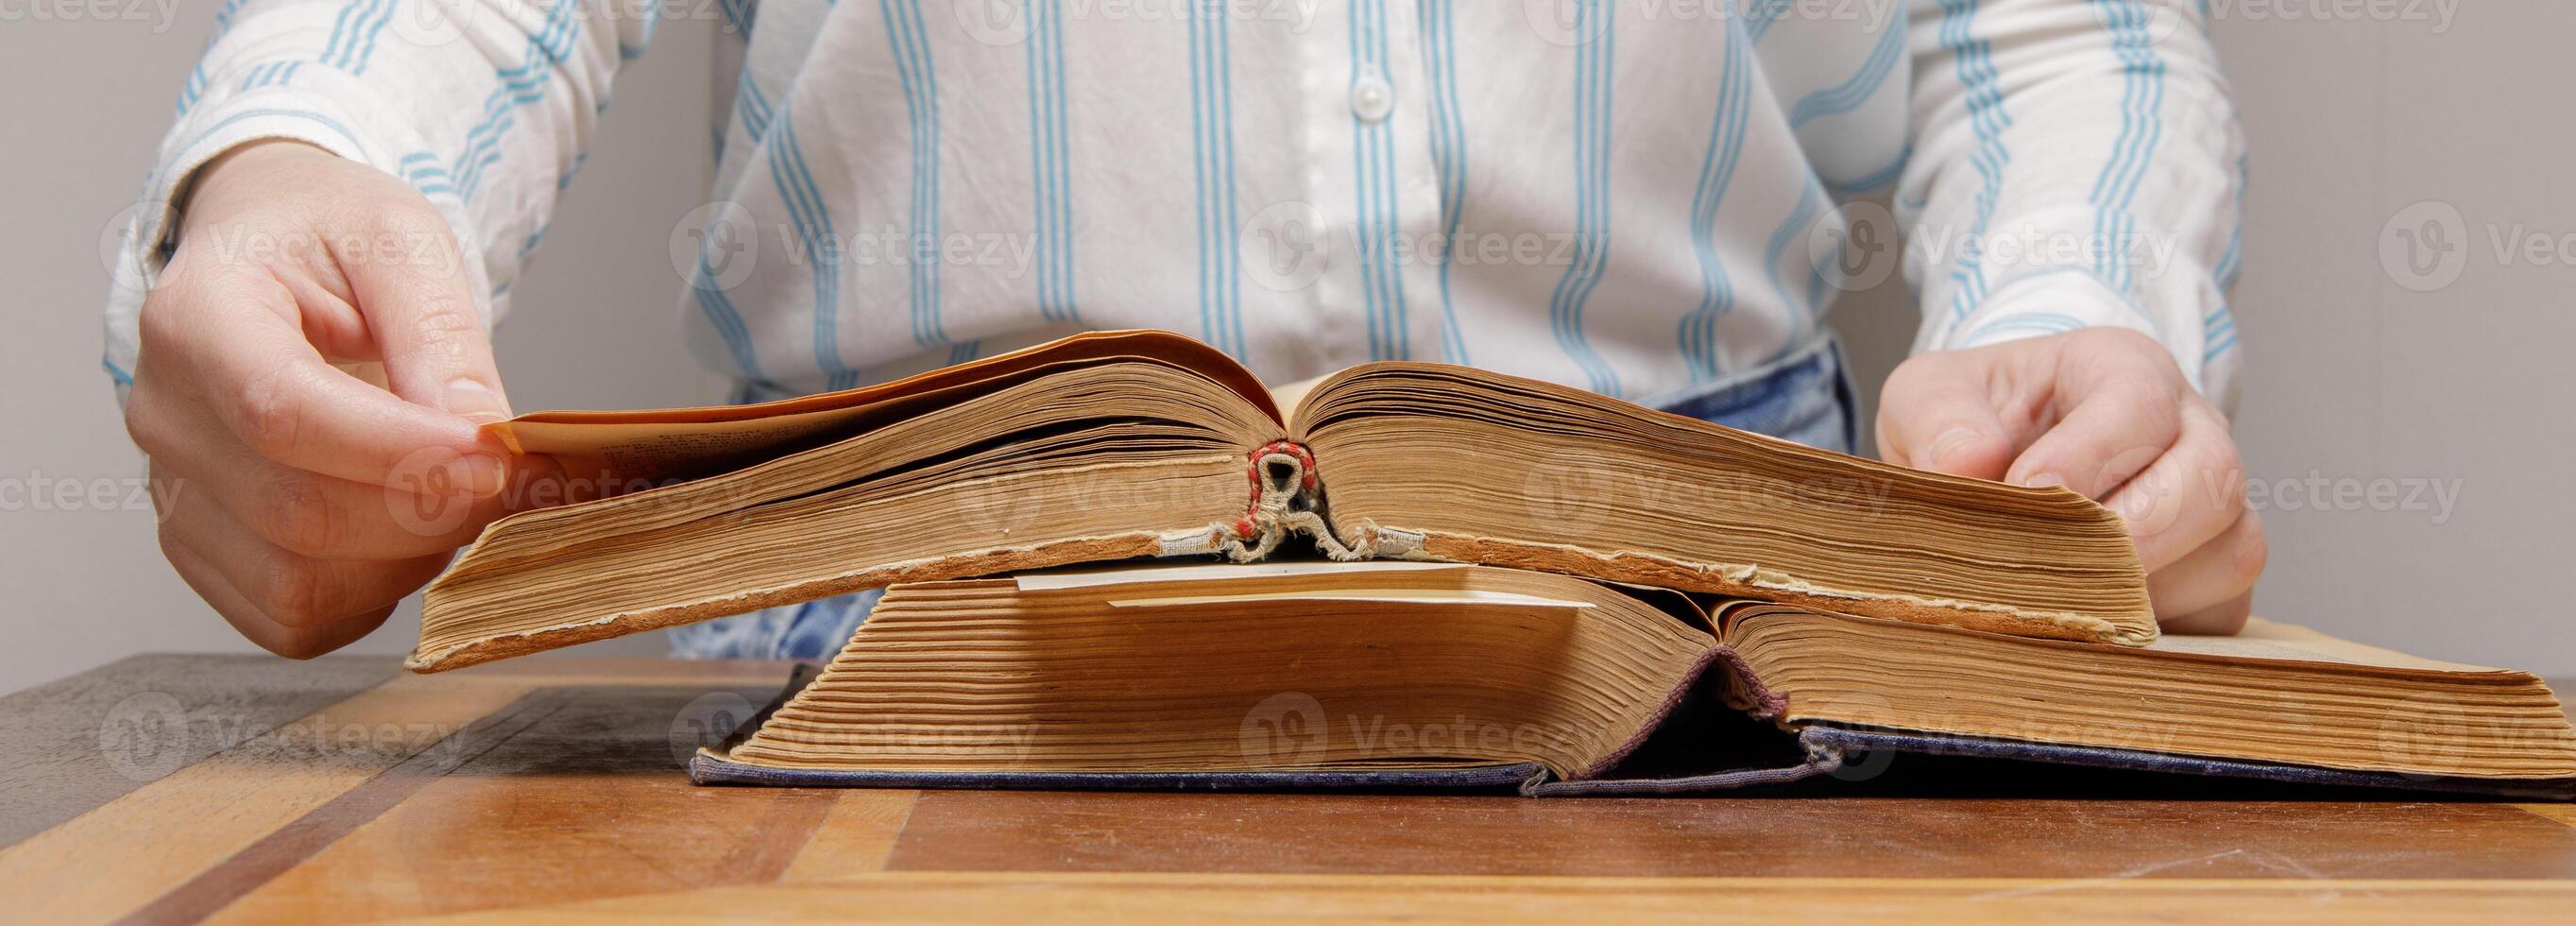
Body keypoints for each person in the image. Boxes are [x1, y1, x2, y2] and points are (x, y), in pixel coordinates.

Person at [106, 0, 2261, 660]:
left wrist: (2071, 318)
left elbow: (2037, 32)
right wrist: (306, 165)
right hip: (868, 619)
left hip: (1727, 626)